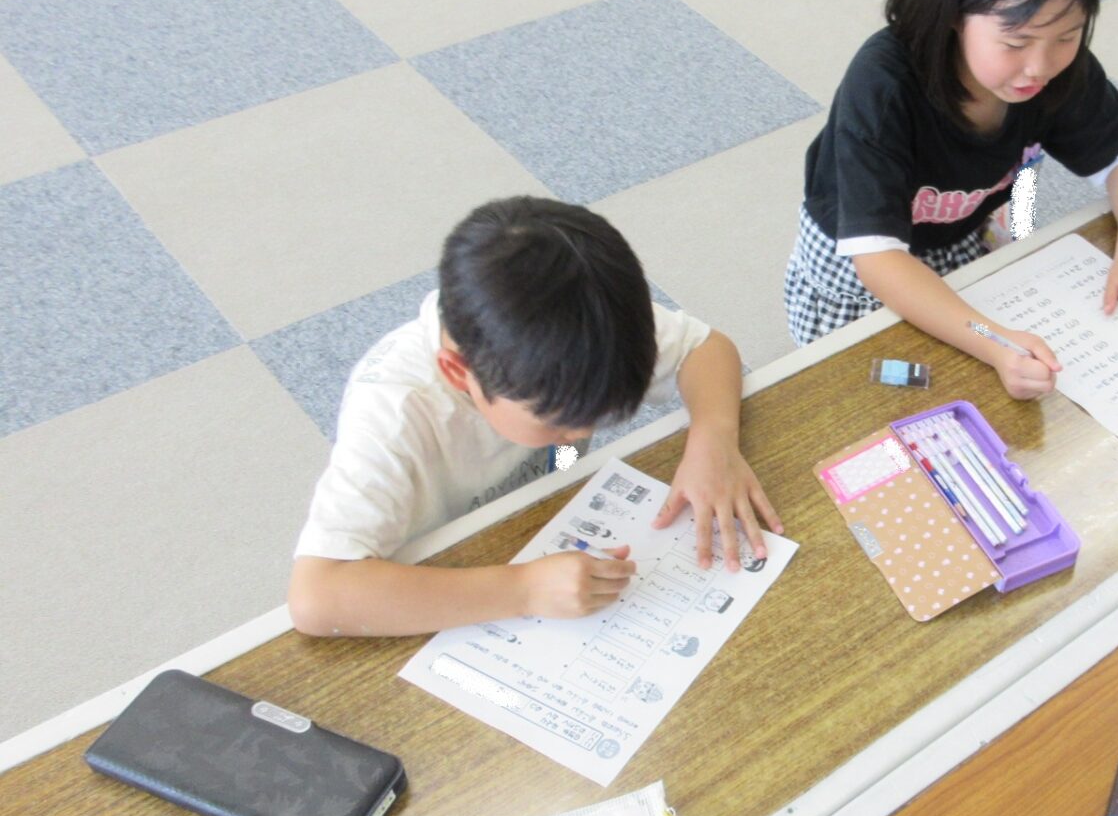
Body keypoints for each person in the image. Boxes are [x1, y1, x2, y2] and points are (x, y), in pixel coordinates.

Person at [784, 0, 1118, 397]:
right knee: (869, 391)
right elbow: (878, 258)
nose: (1040, 66)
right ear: (954, 12)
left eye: (1067, 37)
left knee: (978, 372)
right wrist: (990, 338)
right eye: (1015, 41)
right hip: (863, 256)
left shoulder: (1055, 69)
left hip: (968, 227)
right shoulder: (883, 84)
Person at [289, 198, 780, 636]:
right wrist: (523, 590)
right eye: (560, 419)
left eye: (600, 413)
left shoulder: (586, 322)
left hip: (550, 490)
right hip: (442, 572)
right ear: (459, 374)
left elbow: (706, 347)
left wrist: (712, 439)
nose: (585, 431)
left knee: (564, 459)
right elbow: (316, 596)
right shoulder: (395, 414)